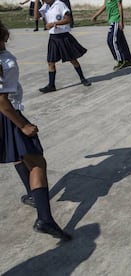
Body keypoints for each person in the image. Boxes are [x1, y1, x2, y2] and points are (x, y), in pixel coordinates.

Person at [0, 20, 71, 241]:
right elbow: (2, 102)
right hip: (8, 115)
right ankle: (45, 219)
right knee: (38, 163)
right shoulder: (7, 62)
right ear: (4, 36)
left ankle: (32, 195)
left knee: (20, 155)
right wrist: (23, 125)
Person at [35, 0, 91, 93]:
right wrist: (37, 2)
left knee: (73, 60)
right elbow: (36, 16)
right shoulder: (45, 6)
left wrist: (54, 24)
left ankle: (82, 78)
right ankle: (51, 85)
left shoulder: (60, 4)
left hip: (63, 36)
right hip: (53, 38)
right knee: (50, 62)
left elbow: (68, 19)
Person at [92, 0, 131, 71]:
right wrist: (96, 15)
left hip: (116, 21)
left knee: (111, 41)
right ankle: (128, 60)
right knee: (121, 41)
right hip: (112, 21)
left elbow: (120, 7)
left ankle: (120, 61)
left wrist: (121, 21)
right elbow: (105, 5)